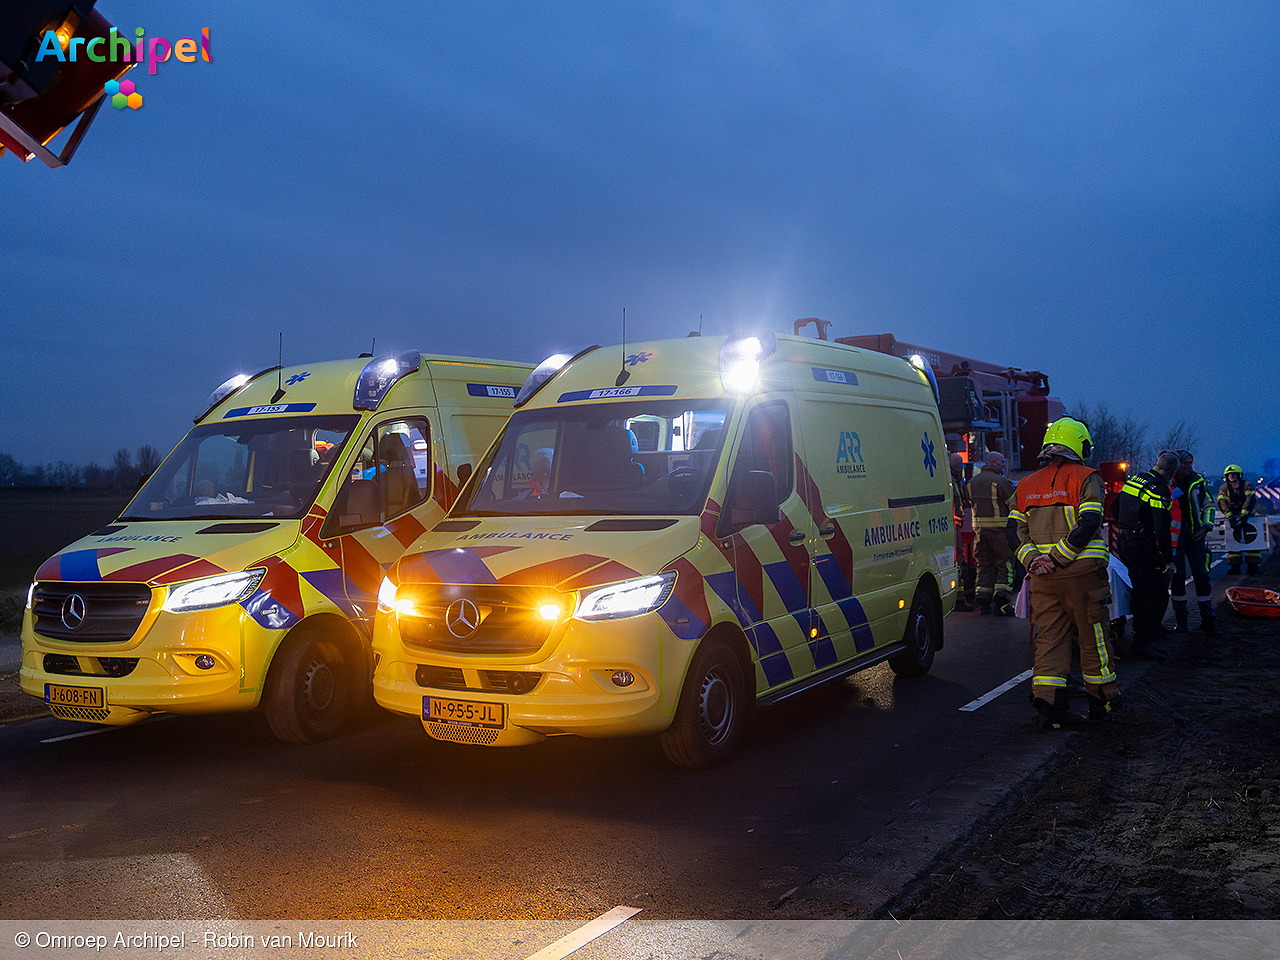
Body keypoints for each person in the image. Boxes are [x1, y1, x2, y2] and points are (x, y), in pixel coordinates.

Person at [1011, 417, 1117, 727]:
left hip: (1043, 580)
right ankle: (1103, 702)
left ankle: (1049, 709)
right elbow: (1089, 523)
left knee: (1049, 640)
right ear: (1080, 445)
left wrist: (1035, 561)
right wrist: (1058, 558)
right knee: (1093, 637)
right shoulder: (1087, 478)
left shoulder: (1027, 484)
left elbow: (1013, 531)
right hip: (1082, 576)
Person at [1115, 451, 1178, 662]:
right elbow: (1162, 527)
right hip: (1142, 544)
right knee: (1156, 593)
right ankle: (1143, 642)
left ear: (1155, 464)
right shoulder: (1160, 490)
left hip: (1124, 540)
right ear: (1173, 472)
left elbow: (1116, 506)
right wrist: (1168, 559)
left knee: (1139, 588)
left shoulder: (1136, 479)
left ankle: (1141, 634)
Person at [1170, 449, 1217, 635]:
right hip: (1175, 535)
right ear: (1176, 465)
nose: (1189, 466)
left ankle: (1208, 619)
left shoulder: (1198, 481)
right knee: (1178, 576)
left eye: (1191, 463)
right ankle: (1181, 622)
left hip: (1195, 533)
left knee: (1202, 575)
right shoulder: (1167, 482)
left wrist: (1206, 527)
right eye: (1185, 463)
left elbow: (1209, 505)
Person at [970, 450, 1017, 615]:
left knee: (984, 564)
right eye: (1002, 462)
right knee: (1006, 564)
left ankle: (983, 600)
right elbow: (1014, 504)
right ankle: (1002, 601)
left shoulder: (972, 482)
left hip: (979, 532)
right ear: (993, 463)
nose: (1004, 465)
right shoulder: (1000, 482)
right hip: (1000, 531)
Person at [1218, 465, 1262, 574]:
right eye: (1229, 475)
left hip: (1249, 517)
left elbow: (1250, 500)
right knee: (1232, 541)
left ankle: (1253, 566)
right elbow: (1222, 503)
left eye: (1234, 474)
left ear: (1239, 475)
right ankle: (1235, 567)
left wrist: (1244, 515)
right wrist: (1230, 517)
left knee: (1252, 540)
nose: (1231, 476)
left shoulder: (1247, 485)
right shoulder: (1224, 488)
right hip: (1232, 517)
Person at [949, 452, 976, 611]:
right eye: (958, 466)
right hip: (953, 527)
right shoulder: (951, 479)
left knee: (960, 560)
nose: (960, 469)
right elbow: (956, 501)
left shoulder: (955, 478)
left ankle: (961, 597)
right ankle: (959, 599)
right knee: (958, 560)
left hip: (955, 526)